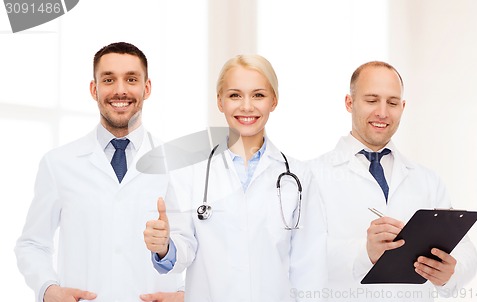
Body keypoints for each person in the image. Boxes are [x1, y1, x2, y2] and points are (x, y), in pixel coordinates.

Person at [143, 54, 328, 301]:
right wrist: (165, 247)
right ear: (220, 101)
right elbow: (183, 248)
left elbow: (309, 268)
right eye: (234, 95)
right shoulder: (190, 172)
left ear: (274, 101)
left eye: (258, 95)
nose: (247, 106)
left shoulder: (299, 177)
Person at [14, 42, 184, 302]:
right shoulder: (58, 163)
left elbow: (195, 247)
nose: (120, 90)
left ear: (146, 88)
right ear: (94, 89)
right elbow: (32, 244)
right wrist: (49, 290)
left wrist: (183, 291)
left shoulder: (177, 164)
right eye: (108, 79)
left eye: (131, 79)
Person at [311, 61, 477, 301]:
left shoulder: (427, 179)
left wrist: (451, 272)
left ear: (403, 106)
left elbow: (466, 251)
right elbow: (298, 256)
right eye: (371, 100)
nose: (382, 112)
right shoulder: (311, 175)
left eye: (392, 102)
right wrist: (364, 252)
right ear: (349, 102)